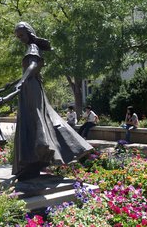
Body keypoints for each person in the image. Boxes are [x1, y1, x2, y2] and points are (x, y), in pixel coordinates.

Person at [12, 22, 93, 181]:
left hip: (31, 88)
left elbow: (33, 65)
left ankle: (41, 153)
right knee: (40, 119)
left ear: (29, 33)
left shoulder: (33, 47)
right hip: (30, 86)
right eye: (18, 36)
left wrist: (22, 81)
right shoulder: (32, 47)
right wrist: (17, 81)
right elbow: (29, 69)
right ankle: (37, 159)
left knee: (36, 119)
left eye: (22, 35)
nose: (20, 38)